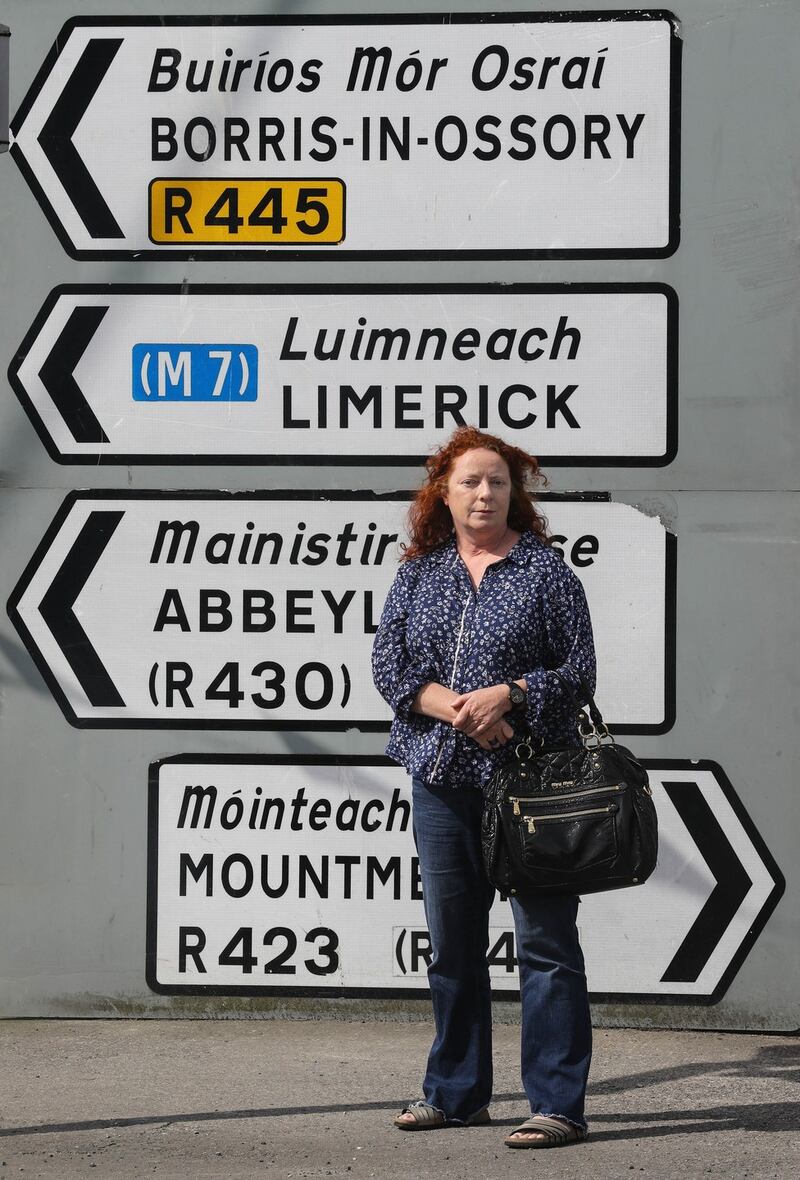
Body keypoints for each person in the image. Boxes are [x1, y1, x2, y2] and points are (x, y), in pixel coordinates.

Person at [371, 425, 596, 1150]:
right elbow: (391, 667)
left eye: (498, 481)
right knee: (453, 945)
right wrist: (464, 712)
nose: (484, 492)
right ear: (443, 490)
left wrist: (512, 694)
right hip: (441, 781)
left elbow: (578, 673)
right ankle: (456, 1094)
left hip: (532, 789)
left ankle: (557, 1103)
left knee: (547, 946)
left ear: (515, 494)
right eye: (470, 480)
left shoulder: (547, 574)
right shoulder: (420, 573)